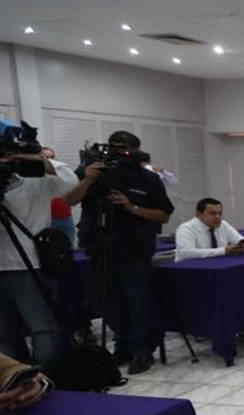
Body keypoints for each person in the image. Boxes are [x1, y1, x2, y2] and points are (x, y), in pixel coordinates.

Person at [66, 131, 174, 375]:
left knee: (139, 304)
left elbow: (163, 215)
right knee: (110, 304)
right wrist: (87, 179)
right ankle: (122, 347)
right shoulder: (91, 174)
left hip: (134, 249)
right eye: (117, 150)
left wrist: (131, 207)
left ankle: (142, 351)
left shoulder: (148, 179)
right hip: (100, 249)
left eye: (127, 151)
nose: (122, 156)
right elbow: (68, 201)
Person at [0, 143, 78, 371]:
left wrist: (29, 159)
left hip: (28, 265)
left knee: (43, 329)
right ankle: (16, 378)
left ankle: (44, 376)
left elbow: (70, 180)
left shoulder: (36, 182)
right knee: (4, 334)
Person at [174, 197, 244, 261]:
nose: (217, 217)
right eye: (212, 213)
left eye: (220, 213)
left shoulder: (223, 225)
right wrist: (224, 251)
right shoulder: (186, 229)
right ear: (199, 214)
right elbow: (186, 253)